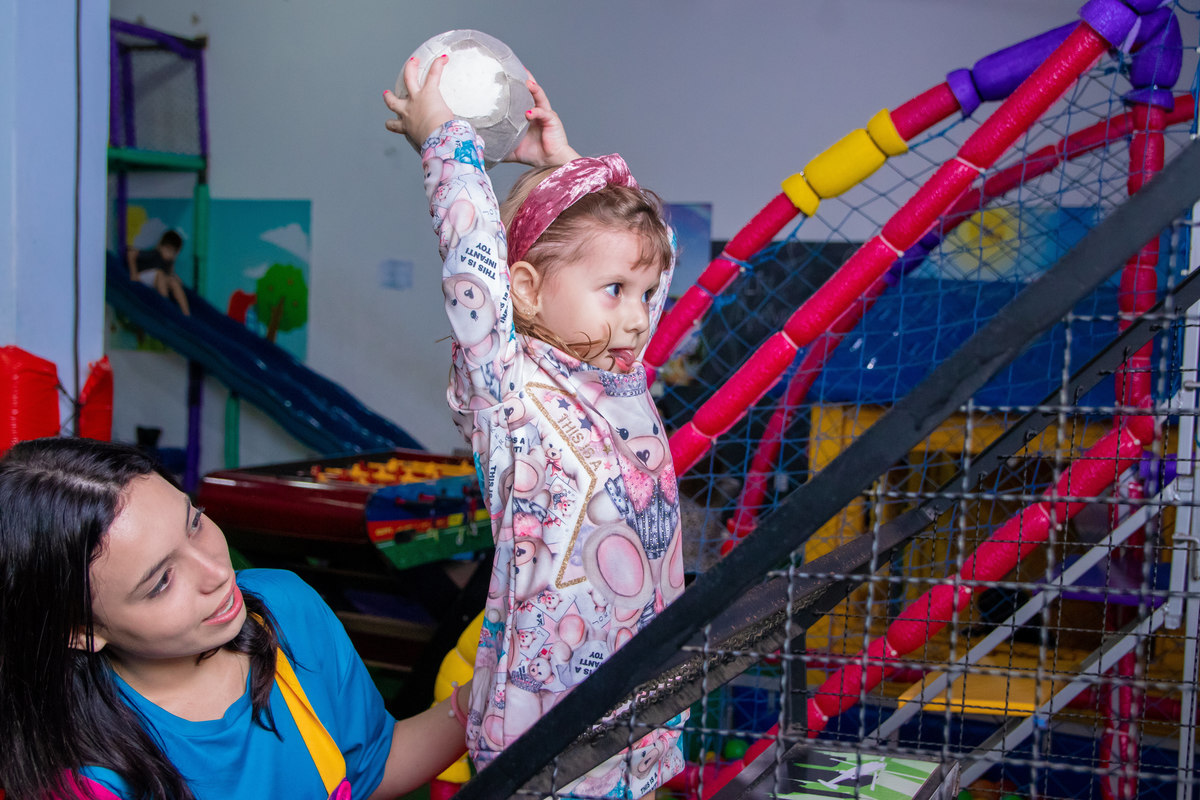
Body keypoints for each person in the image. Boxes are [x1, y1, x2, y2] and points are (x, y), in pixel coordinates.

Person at [384, 55, 687, 799]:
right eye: (615, 291)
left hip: (637, 707)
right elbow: (473, 259)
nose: (638, 314)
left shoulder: (621, 376)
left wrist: (576, 170)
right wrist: (446, 146)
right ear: (523, 292)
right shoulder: (510, 392)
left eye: (646, 294)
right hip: (545, 725)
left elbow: (651, 255)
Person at [0, 437, 470, 799]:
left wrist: (479, 700)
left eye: (195, 522)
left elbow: (372, 767)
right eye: (162, 581)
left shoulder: (283, 607)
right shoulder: (87, 776)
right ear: (82, 632)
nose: (217, 571)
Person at [126, 230, 192, 316]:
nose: (170, 255)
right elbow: (131, 253)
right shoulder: (154, 254)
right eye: (168, 250)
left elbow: (170, 274)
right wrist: (133, 274)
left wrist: (176, 279)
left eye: (173, 253)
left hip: (155, 281)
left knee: (174, 282)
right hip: (141, 276)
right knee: (160, 273)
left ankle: (186, 314)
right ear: (160, 246)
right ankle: (165, 305)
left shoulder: (168, 262)